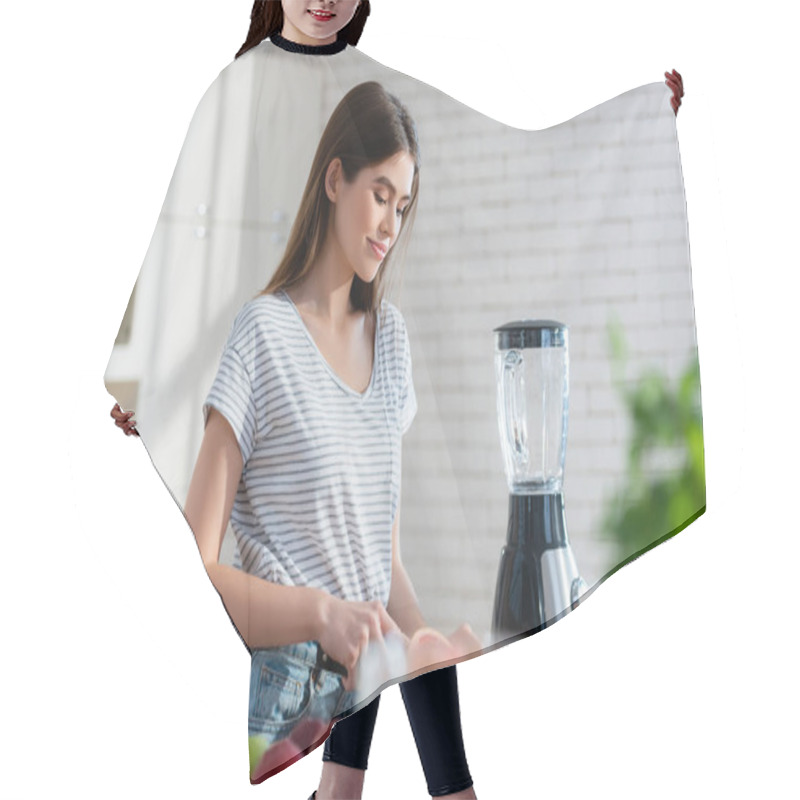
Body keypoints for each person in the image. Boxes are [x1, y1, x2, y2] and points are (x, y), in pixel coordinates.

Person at [106, 3, 687, 797]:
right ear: (335, 179)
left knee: (386, 630)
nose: (391, 225)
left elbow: (382, 563)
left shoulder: (392, 333)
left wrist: (636, 126)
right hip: (298, 574)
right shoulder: (240, 101)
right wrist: (153, 377)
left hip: (354, 596)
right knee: (365, 627)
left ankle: (401, 786)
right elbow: (192, 240)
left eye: (402, 205)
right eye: (380, 195)